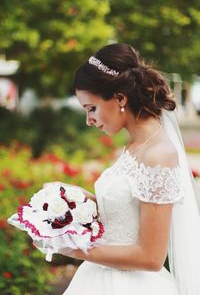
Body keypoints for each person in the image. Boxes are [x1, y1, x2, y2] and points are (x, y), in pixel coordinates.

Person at [60, 43, 200, 295]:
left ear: (120, 98)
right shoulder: (135, 145)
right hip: (98, 277)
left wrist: (72, 248)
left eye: (91, 108)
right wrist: (79, 200)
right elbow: (126, 211)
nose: (88, 120)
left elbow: (151, 257)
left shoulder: (159, 154)